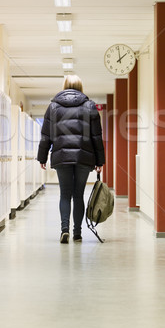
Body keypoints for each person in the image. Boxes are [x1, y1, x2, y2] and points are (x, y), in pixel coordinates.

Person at [37, 75, 105, 243]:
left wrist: (42, 156)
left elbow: (46, 135)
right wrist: (99, 160)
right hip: (84, 156)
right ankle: (77, 233)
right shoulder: (90, 106)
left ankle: (64, 230)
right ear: (81, 87)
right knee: (78, 195)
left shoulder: (53, 107)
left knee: (65, 194)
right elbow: (96, 136)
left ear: (64, 86)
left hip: (62, 156)